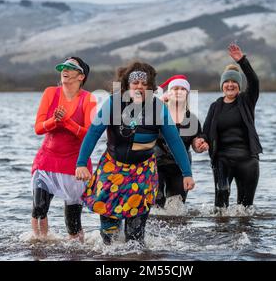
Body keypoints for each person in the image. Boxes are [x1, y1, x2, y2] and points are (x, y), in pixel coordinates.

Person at [75, 61, 195, 245]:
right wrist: (81, 163)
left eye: (144, 83)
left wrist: (187, 173)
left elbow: (175, 142)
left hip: (143, 173)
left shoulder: (158, 108)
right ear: (127, 85)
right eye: (135, 82)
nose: (139, 86)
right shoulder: (114, 103)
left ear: (151, 87)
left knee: (135, 239)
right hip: (112, 170)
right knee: (109, 235)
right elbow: (93, 133)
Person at [31, 57, 97, 241]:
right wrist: (54, 121)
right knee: (38, 208)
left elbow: (89, 135)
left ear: (81, 76)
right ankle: (39, 245)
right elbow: (38, 128)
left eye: (70, 68)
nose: (64, 70)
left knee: (73, 223)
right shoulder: (50, 93)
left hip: (74, 165)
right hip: (46, 161)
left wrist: (67, 122)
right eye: (63, 67)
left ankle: (77, 250)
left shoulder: (88, 98)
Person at [203, 43, 263, 210]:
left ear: (239, 85)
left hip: (248, 159)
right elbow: (206, 132)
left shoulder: (247, 101)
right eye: (226, 81)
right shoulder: (215, 106)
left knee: (245, 208)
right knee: (220, 202)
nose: (230, 85)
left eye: (234, 82)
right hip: (222, 159)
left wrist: (242, 61)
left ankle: (243, 234)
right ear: (222, 85)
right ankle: (222, 234)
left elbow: (254, 81)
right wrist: (202, 141)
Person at [155, 75, 208, 208]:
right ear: (169, 93)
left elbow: (195, 142)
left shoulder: (192, 119)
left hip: (180, 167)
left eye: (182, 89)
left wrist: (199, 145)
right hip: (156, 164)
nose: (178, 91)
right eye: (175, 88)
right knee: (156, 204)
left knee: (176, 207)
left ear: (187, 94)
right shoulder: (157, 113)